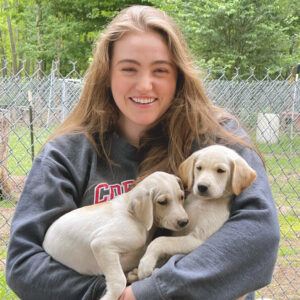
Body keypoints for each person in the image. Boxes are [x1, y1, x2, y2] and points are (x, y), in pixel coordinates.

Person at [6, 5, 280, 300]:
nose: (145, 84)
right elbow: (24, 264)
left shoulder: (217, 139)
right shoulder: (68, 153)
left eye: (160, 70)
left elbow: (258, 235)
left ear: (178, 76)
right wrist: (115, 293)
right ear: (106, 74)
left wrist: (150, 293)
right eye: (129, 68)